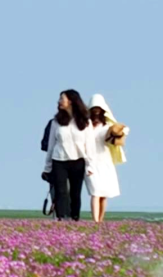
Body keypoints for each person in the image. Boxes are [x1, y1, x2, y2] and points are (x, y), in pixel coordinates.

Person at [44, 89, 91, 221]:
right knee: (61, 191)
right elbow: (51, 145)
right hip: (59, 160)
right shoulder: (56, 122)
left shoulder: (85, 121)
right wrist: (47, 167)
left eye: (61, 99)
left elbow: (90, 146)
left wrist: (90, 165)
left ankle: (74, 218)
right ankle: (62, 218)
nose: (59, 101)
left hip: (78, 160)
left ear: (70, 101)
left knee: (75, 193)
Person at [86, 94, 127, 223]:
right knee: (95, 192)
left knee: (104, 194)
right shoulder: (85, 125)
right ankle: (95, 220)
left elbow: (123, 130)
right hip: (90, 161)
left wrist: (118, 133)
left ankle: (100, 220)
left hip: (105, 161)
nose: (96, 111)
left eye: (98, 109)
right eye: (94, 109)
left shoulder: (108, 126)